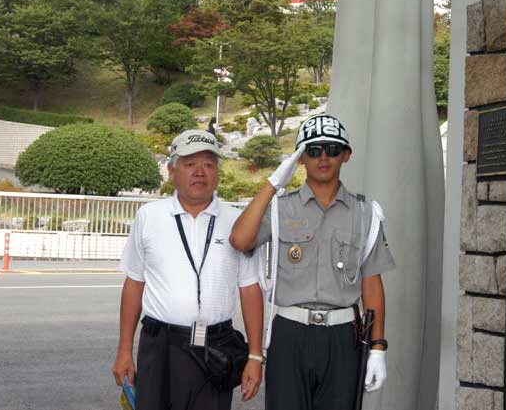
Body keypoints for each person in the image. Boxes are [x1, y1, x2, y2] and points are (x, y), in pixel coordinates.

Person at [229, 114, 395, 410]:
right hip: (290, 335)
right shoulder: (281, 208)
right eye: (313, 149)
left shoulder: (365, 212)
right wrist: (272, 183)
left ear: (346, 155)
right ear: (301, 158)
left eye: (332, 149)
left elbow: (372, 283)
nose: (323, 157)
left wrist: (378, 348)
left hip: (344, 337)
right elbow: (240, 240)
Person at [111, 129, 264, 410]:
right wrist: (124, 350)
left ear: (218, 173)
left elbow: (250, 287)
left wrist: (255, 356)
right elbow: (134, 283)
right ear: (172, 171)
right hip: (159, 345)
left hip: (215, 347)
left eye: (208, 164)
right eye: (190, 164)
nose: (200, 172)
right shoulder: (149, 217)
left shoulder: (238, 223)